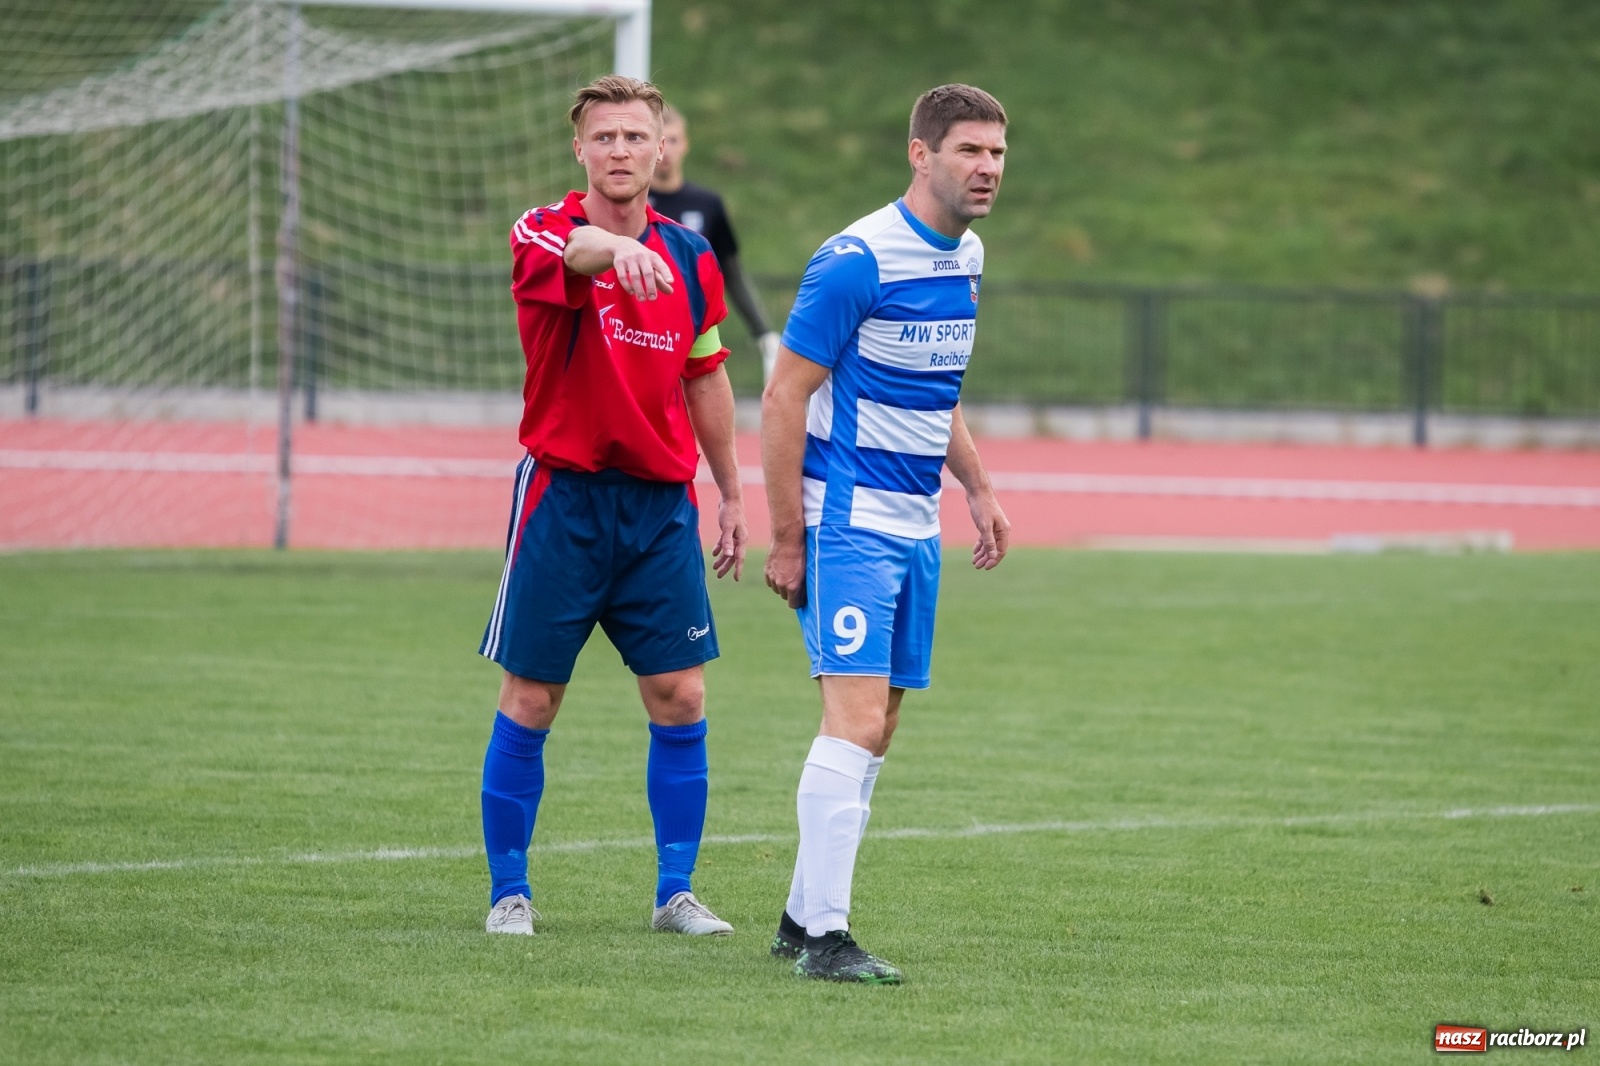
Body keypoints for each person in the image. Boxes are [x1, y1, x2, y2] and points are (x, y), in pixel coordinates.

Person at [477, 75, 747, 939]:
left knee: (680, 695)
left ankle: (677, 894)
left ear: (662, 148)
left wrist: (733, 494)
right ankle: (509, 895)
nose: (623, 151)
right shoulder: (545, 230)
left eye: (638, 137)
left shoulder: (693, 256)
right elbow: (569, 258)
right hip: (565, 498)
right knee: (533, 697)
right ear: (581, 149)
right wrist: (610, 249)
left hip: (662, 505)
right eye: (607, 138)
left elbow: (705, 374)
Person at [759, 84, 1012, 983]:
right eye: (968, 152)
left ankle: (797, 917)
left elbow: (933, 389)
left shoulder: (967, 255)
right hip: (847, 522)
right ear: (921, 153)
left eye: (996, 154)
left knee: (882, 725)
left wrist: (977, 488)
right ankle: (826, 940)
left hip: (915, 524)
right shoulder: (854, 259)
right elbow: (785, 396)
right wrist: (788, 537)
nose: (986, 169)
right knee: (854, 720)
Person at [649, 106, 781, 380]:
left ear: (685, 144)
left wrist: (764, 332)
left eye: (674, 140)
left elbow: (731, 272)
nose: (667, 150)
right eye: (661, 140)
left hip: (693, 333)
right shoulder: (630, 202)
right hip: (638, 327)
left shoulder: (707, 204)